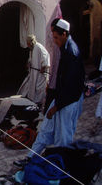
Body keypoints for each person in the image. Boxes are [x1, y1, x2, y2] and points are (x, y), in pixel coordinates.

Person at [15, 19, 85, 167]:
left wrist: (56, 106)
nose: (55, 41)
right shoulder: (64, 48)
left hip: (69, 101)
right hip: (60, 97)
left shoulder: (72, 52)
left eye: (56, 37)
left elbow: (71, 86)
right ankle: (30, 158)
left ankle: (60, 167)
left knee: (63, 137)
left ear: (64, 34)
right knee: (45, 129)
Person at [17, 34, 50, 105]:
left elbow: (45, 57)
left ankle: (39, 103)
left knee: (39, 88)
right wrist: (28, 63)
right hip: (33, 72)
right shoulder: (32, 49)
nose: (27, 45)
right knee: (30, 86)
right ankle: (32, 101)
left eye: (28, 43)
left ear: (31, 42)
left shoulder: (39, 47)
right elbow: (31, 59)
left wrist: (43, 67)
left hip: (40, 72)